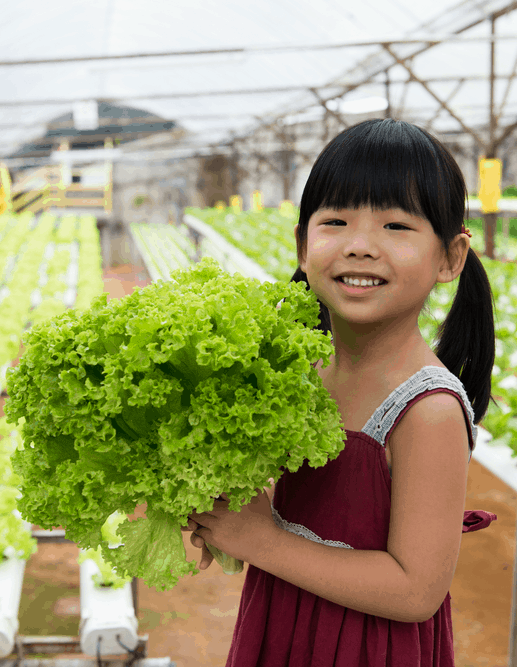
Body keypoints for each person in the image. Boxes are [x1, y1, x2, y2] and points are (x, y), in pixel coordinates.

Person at [185, 118, 499, 666]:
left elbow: (415, 591)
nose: (359, 247)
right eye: (335, 221)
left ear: (450, 257)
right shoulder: (302, 369)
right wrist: (213, 514)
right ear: (304, 247)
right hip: (284, 619)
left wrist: (262, 542)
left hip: (367, 648)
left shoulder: (427, 411)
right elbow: (266, 495)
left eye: (396, 226)